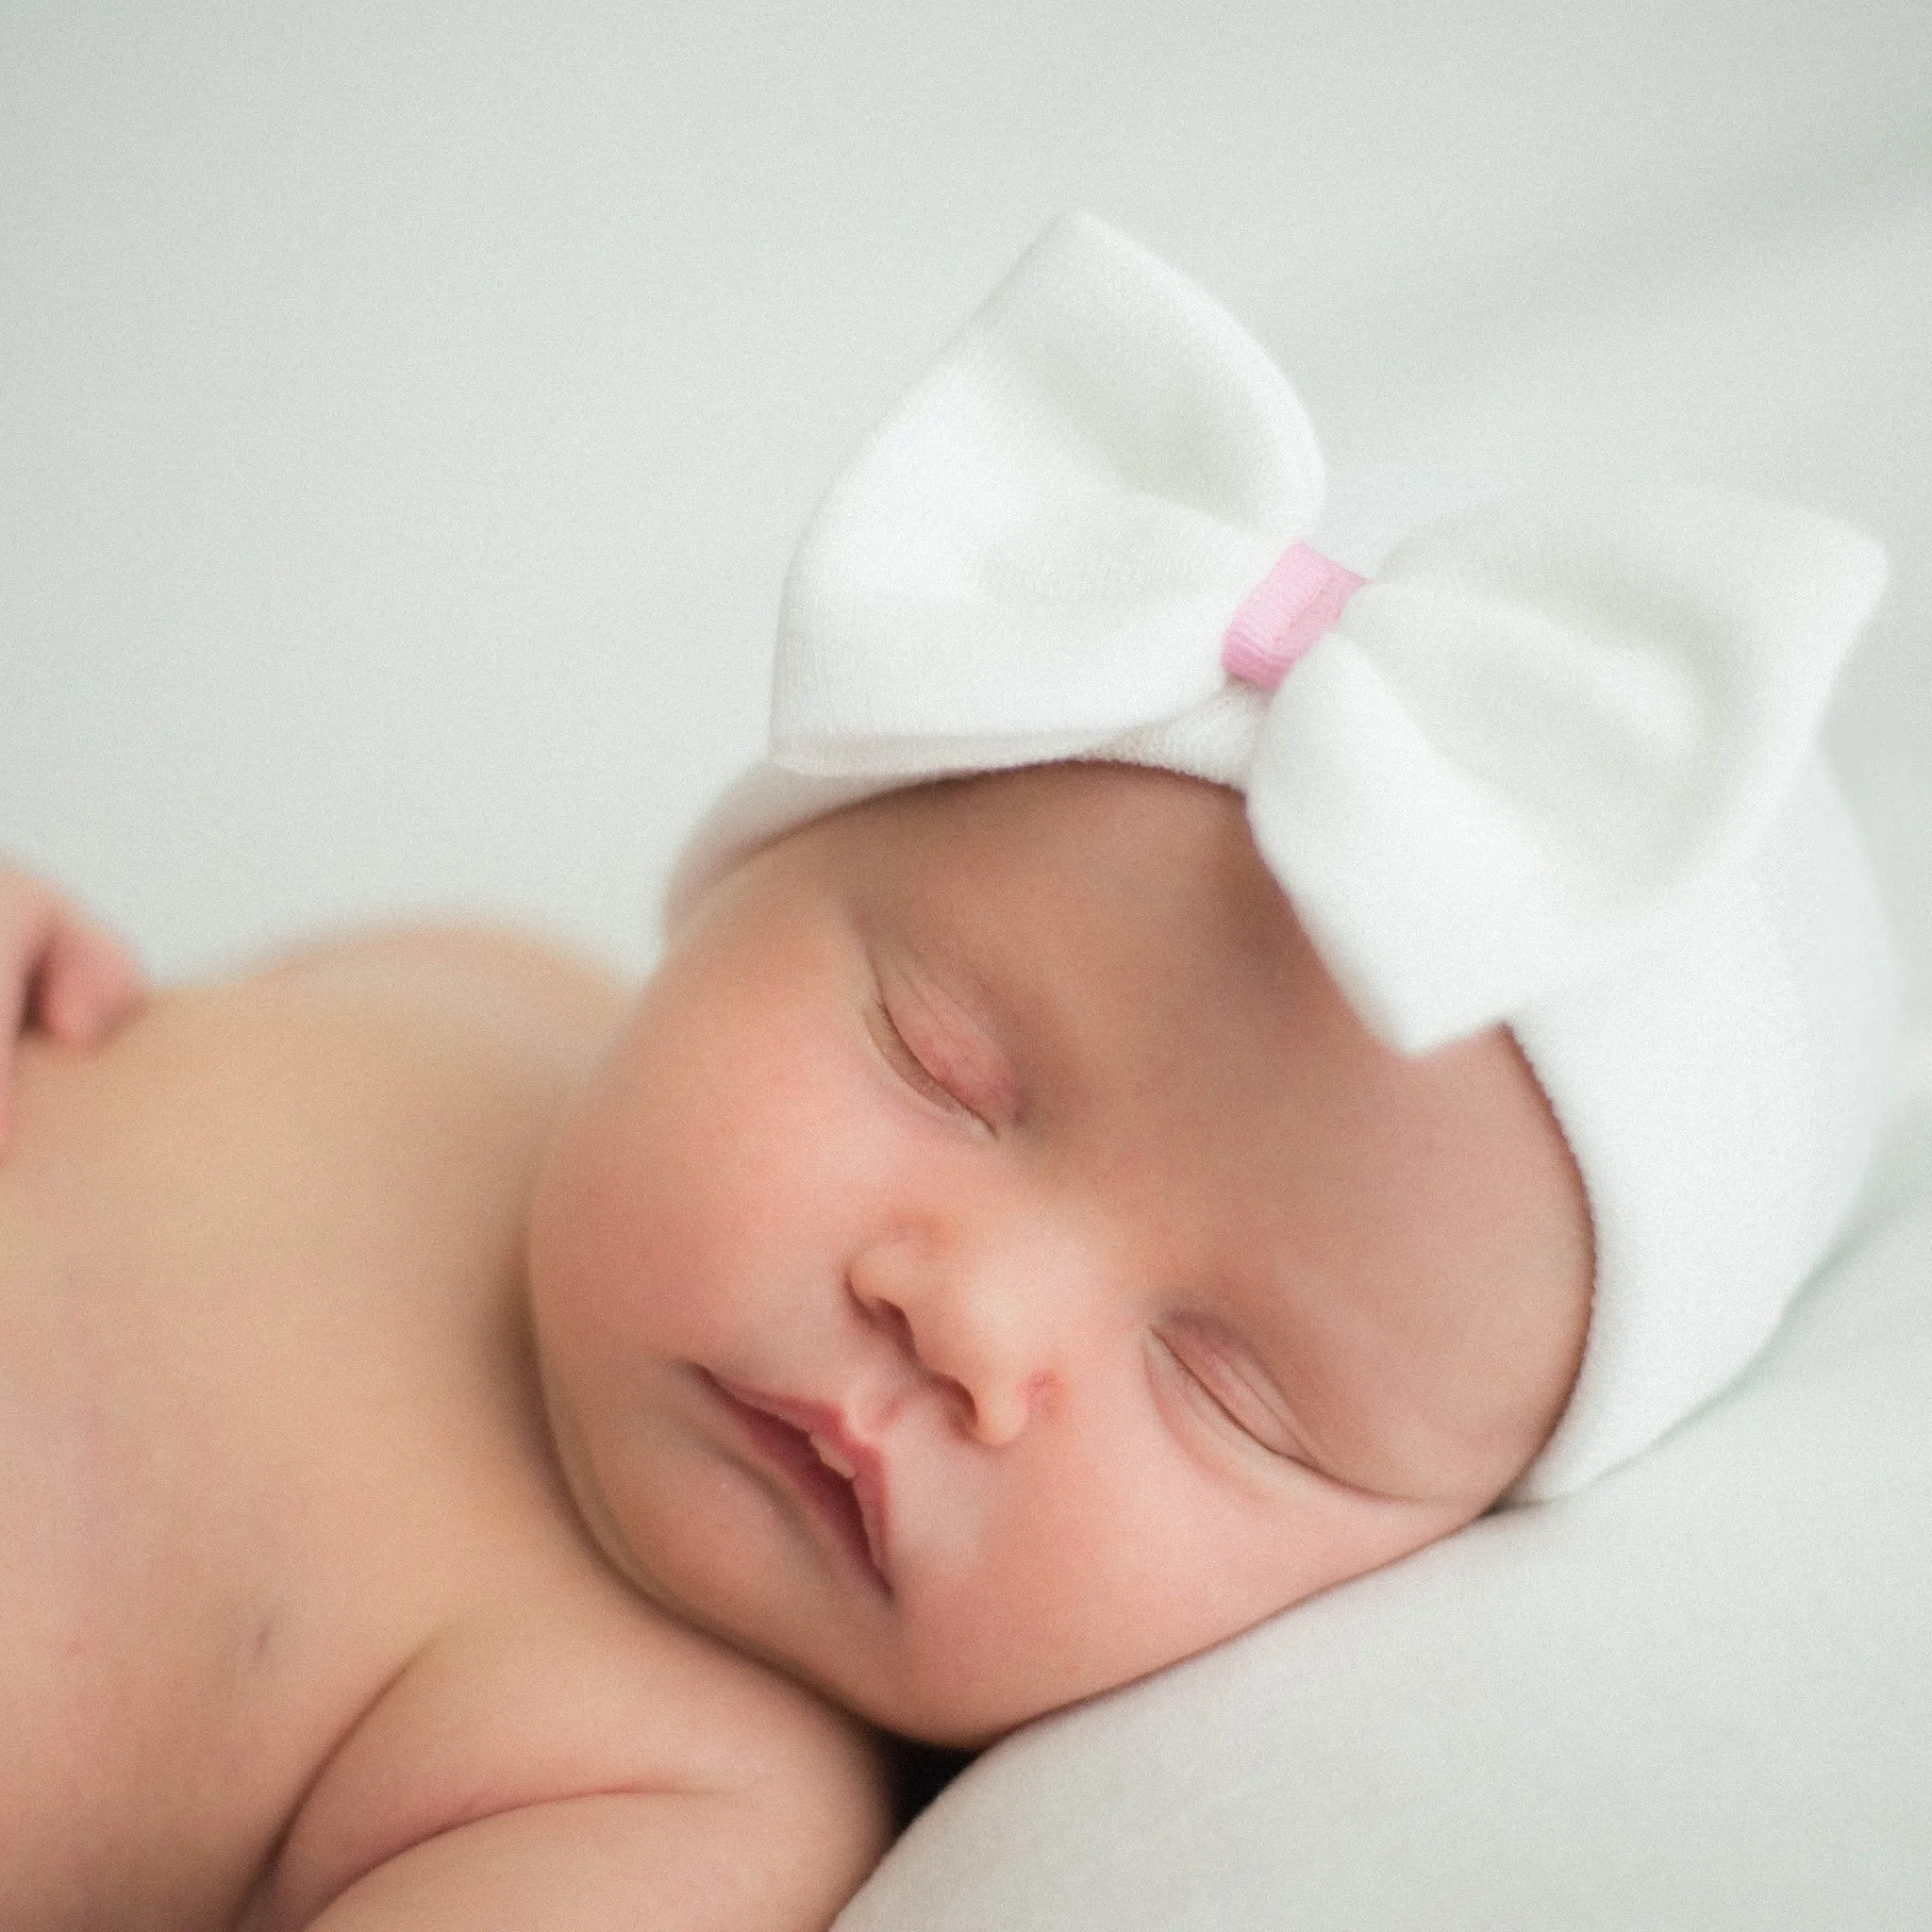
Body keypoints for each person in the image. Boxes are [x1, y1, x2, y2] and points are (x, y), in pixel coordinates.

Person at [0, 213, 1895, 1927]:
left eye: (1224, 1388)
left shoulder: (671, 1792)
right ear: (757, 880)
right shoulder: (474, 984)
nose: (966, 1322)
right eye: (944, 1062)